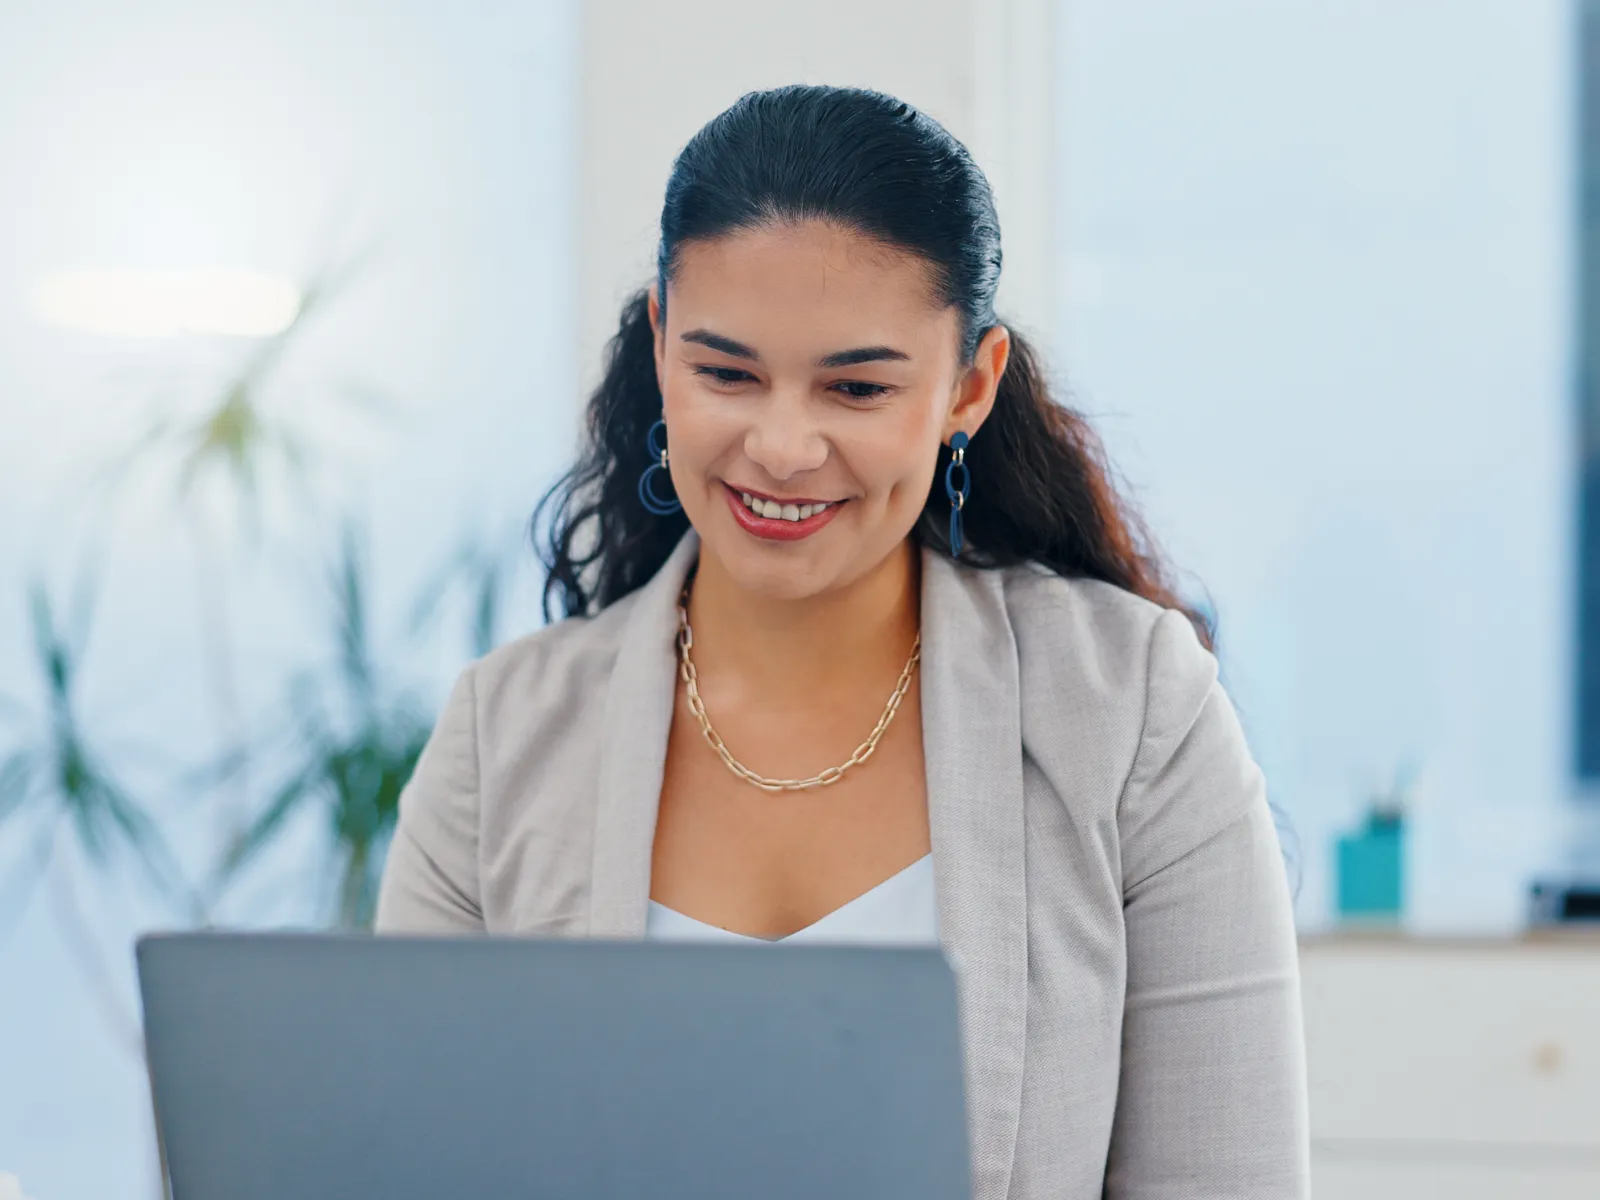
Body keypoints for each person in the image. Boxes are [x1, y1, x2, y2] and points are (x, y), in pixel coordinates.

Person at [375, 83, 1309, 1200]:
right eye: (725, 373)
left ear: (968, 387)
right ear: (662, 345)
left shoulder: (1130, 710)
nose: (779, 446)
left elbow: (1226, 1174)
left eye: (856, 387)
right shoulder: (503, 735)